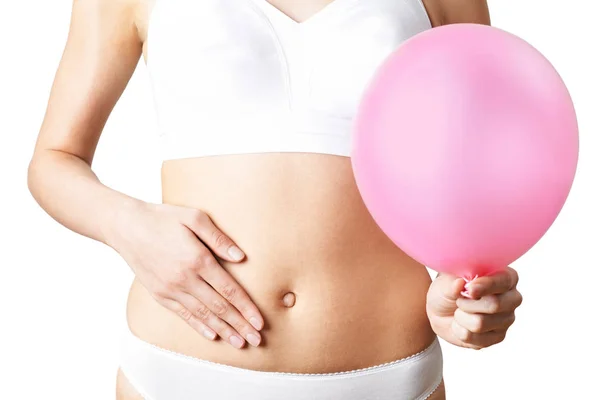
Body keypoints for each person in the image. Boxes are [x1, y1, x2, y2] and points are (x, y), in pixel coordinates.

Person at [27, 0, 523, 399]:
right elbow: (53, 159)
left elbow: (472, 179)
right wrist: (128, 225)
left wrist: (461, 291)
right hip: (179, 375)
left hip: (387, 377)